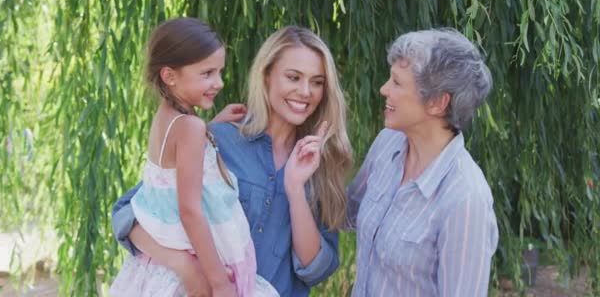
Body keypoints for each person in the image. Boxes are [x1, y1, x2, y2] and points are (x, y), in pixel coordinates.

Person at [111, 25, 353, 296]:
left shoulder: (321, 164)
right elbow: (129, 214)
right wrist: (186, 266)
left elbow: (316, 270)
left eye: (317, 82)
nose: (305, 91)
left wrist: (295, 189)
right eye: (293, 77)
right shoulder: (219, 140)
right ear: (267, 76)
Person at [108, 17, 278, 297]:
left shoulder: (167, 117)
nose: (219, 83)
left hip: (159, 267)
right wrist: (219, 283)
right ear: (169, 75)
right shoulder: (190, 127)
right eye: (207, 73)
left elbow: (173, 168)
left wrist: (209, 132)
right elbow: (190, 210)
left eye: (219, 72)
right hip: (201, 275)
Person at [345, 29, 499, 296]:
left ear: (438, 103)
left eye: (396, 82)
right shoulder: (388, 143)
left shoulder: (465, 199)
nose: (384, 89)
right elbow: (347, 214)